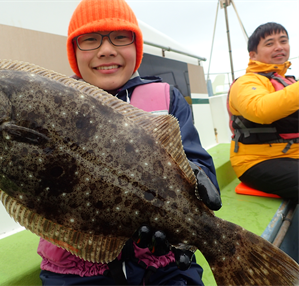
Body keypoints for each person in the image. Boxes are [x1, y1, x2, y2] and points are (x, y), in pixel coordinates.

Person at [37, 0, 221, 285]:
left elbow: (197, 162)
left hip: (162, 264)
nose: (106, 49)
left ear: (136, 46)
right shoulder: (49, 105)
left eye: (120, 37)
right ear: (74, 52)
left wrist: (198, 176)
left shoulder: (167, 99)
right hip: (75, 271)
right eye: (90, 40)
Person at [228, 22, 299, 202]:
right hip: (257, 161)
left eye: (283, 41)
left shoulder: (288, 82)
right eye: (269, 43)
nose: (279, 47)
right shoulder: (245, 83)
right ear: (253, 54)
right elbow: (260, 110)